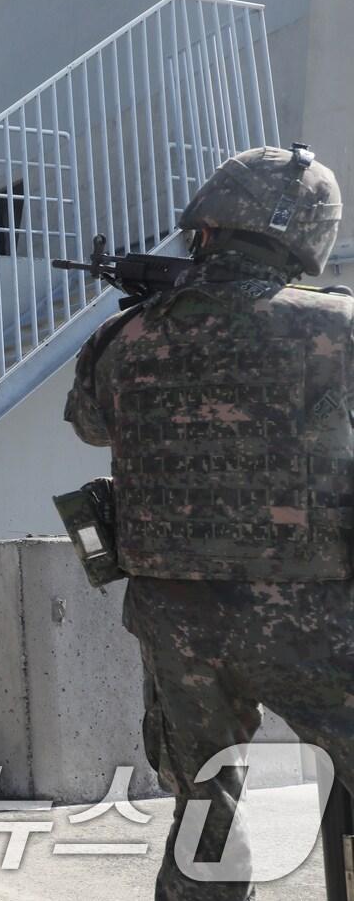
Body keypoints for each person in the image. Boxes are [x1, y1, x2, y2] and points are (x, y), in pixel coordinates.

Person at [64, 143, 354, 900]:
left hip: (175, 617)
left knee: (205, 808)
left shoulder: (124, 339)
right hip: (319, 612)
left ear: (206, 229)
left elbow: (89, 422)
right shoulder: (338, 326)